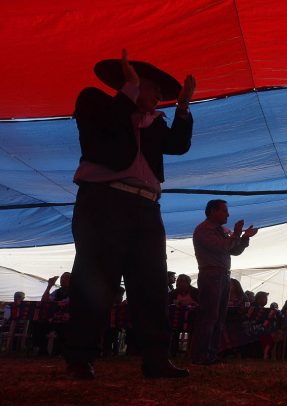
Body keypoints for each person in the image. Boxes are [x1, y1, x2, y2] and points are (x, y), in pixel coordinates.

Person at [66, 50, 195, 379]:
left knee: (152, 284)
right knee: (96, 281)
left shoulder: (154, 123)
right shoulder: (94, 101)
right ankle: (80, 357)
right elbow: (106, 128)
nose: (160, 97)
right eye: (155, 89)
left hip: (147, 207)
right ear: (133, 83)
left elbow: (178, 145)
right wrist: (131, 90)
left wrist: (183, 107)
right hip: (104, 201)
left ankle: (156, 358)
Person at [191, 199, 257, 365]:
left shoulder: (220, 230)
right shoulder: (203, 230)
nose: (228, 214)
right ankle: (201, 355)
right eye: (224, 211)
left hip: (222, 275)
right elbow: (223, 247)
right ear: (213, 211)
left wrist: (244, 237)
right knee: (209, 316)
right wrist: (237, 233)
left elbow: (234, 250)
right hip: (211, 274)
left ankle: (210, 354)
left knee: (219, 317)